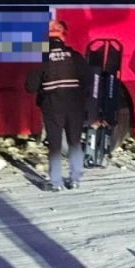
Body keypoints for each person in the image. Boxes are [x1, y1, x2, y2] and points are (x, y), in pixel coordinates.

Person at [24, 18, 93, 191]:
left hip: (52, 105)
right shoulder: (76, 57)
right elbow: (89, 80)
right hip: (74, 104)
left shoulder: (41, 58)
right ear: (64, 36)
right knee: (75, 142)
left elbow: (30, 87)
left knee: (54, 143)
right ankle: (75, 179)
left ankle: (56, 183)